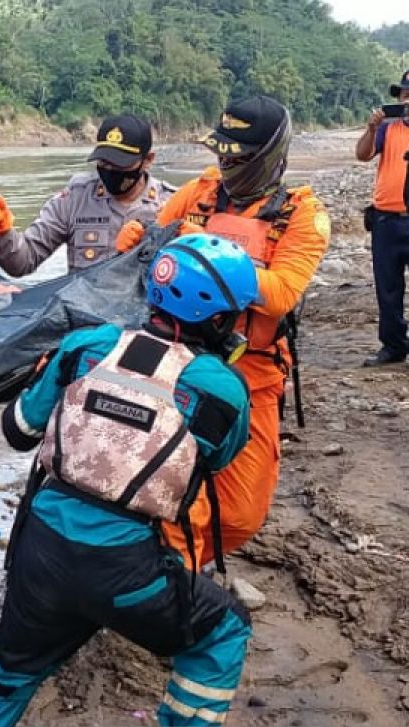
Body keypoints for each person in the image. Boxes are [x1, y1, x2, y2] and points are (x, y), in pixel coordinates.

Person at [0, 233, 259, 727]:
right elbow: (216, 456)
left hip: (40, 552)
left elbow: (16, 431)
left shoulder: (85, 346)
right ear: (215, 318)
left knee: (3, 680)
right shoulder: (221, 389)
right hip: (126, 570)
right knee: (224, 629)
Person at [116, 95, 330, 567]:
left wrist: (200, 247)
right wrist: (138, 239)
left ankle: (173, 559)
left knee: (240, 512)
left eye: (239, 157)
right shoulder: (200, 192)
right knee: (140, 468)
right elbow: (155, 242)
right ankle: (154, 570)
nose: (227, 165)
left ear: (270, 155)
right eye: (223, 154)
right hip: (172, 356)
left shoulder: (302, 216)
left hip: (248, 370)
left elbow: (280, 292)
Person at [0, 114, 174, 276]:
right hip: (83, 314)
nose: (110, 170)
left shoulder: (171, 204)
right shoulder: (75, 199)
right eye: (104, 162)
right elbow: (23, 263)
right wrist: (3, 230)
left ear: (148, 160)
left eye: (119, 164)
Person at [357, 69, 409, 371]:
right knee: (387, 287)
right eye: (405, 96)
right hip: (385, 220)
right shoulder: (387, 129)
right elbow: (363, 155)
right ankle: (392, 346)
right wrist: (370, 128)